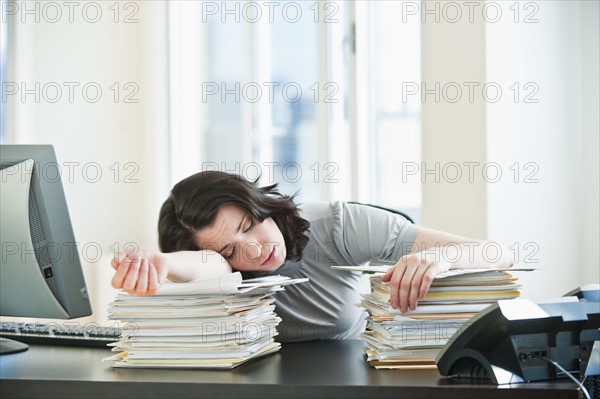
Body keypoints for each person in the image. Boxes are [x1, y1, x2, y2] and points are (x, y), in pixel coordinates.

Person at [110, 171, 513, 341]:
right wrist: (162, 264)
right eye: (231, 250)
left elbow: (499, 252)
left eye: (249, 225)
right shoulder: (214, 267)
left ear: (262, 204)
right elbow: (205, 265)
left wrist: (439, 259)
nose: (255, 249)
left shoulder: (337, 224)